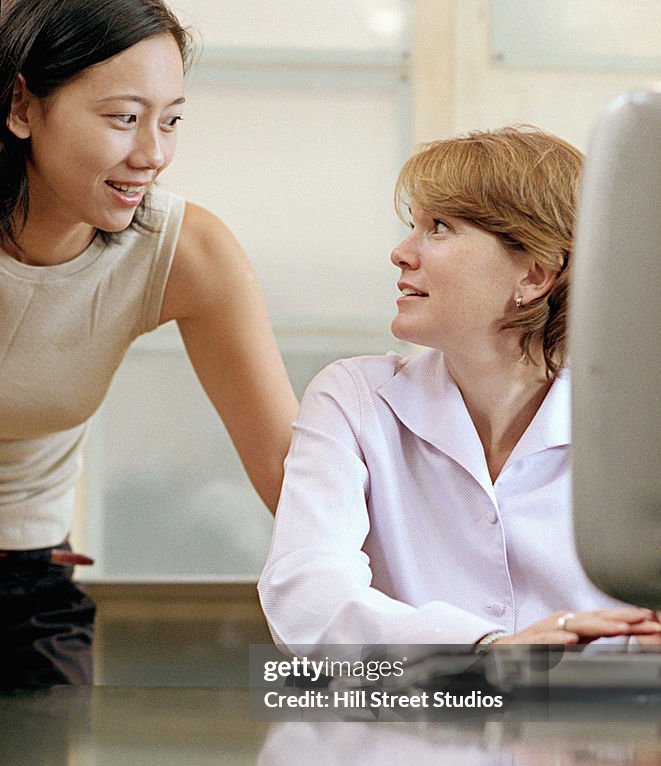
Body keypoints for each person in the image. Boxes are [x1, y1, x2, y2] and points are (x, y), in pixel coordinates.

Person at [258, 126, 661, 653]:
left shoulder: (638, 424)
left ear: (535, 274)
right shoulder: (355, 399)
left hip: (608, 724)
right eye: (413, 226)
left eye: (440, 227)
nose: (401, 253)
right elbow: (305, 588)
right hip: (417, 724)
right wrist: (483, 650)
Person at [0, 0, 298, 687]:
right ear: (22, 106)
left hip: (29, 581)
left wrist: (466, 624)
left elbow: (288, 469)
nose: (152, 154)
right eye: (123, 118)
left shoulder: (184, 249)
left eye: (169, 120)